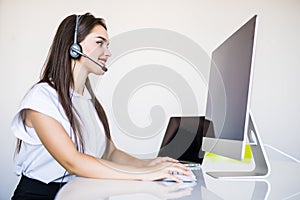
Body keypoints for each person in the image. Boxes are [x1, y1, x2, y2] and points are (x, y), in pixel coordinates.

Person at [11, 12, 192, 199]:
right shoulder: (41, 98)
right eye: (100, 43)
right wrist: (143, 175)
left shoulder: (88, 100)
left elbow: (110, 153)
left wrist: (149, 165)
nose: (108, 52)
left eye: (107, 45)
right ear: (73, 47)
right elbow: (72, 161)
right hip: (41, 194)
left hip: (78, 191)